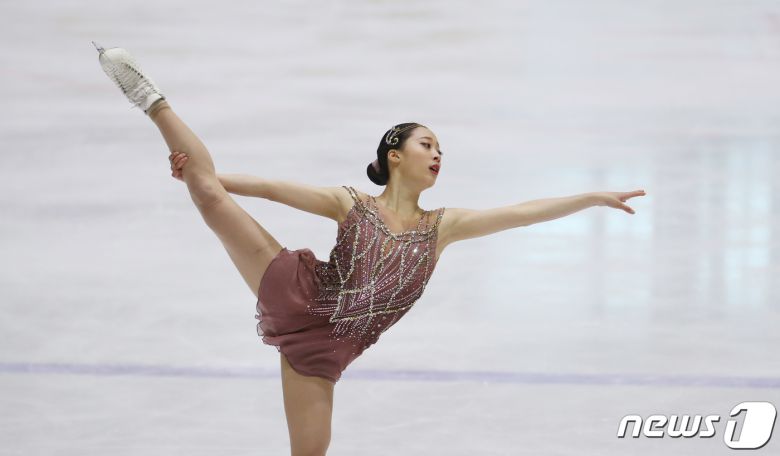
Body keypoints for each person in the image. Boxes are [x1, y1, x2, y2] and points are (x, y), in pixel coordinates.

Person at [93, 42, 646, 456]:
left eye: (441, 149)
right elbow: (269, 186)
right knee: (210, 193)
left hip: (327, 352)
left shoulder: (443, 226)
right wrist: (205, 179)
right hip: (296, 294)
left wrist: (592, 196)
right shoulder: (352, 203)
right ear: (395, 154)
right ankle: (152, 100)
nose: (437, 155)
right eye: (426, 144)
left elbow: (522, 213)